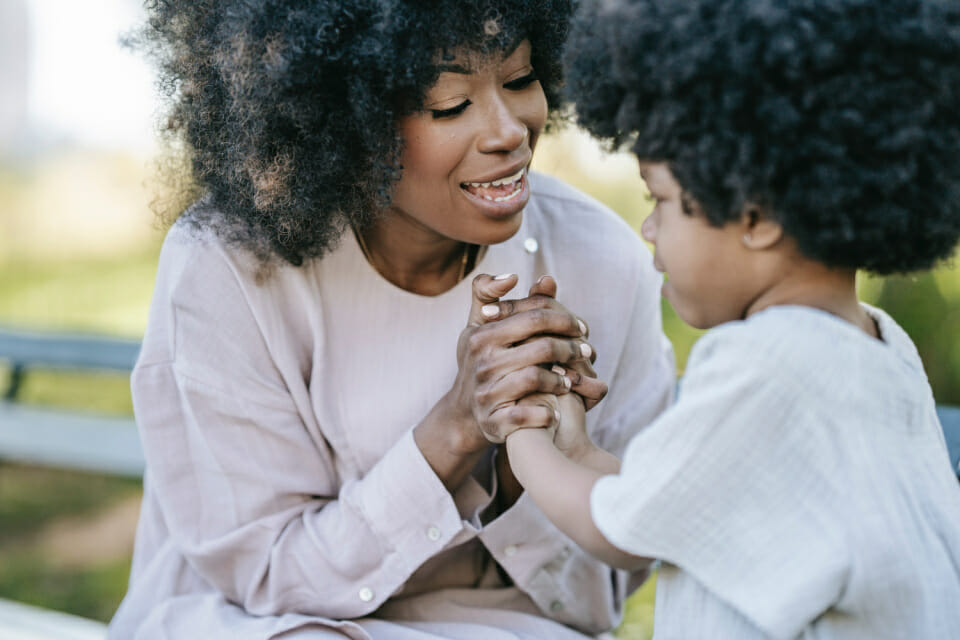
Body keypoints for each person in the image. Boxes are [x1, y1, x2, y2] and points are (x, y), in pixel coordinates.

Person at [109, 1, 676, 638]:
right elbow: (262, 575)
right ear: (344, 118)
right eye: (449, 104)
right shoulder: (229, 270)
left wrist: (527, 473)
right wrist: (458, 429)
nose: (508, 131)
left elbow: (609, 584)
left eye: (520, 80)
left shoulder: (602, 260)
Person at [505, 0, 960, 638]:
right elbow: (680, 498)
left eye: (661, 199)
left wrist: (520, 437)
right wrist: (577, 449)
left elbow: (621, 532)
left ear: (757, 215)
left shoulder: (765, 363)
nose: (648, 227)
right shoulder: (879, 347)